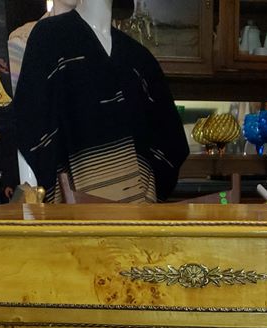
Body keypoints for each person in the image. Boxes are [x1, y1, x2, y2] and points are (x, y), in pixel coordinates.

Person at [12, 0, 188, 202]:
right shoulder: (50, 37)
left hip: (138, 222)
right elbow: (29, 126)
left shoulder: (139, 59)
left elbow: (172, 144)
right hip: (75, 222)